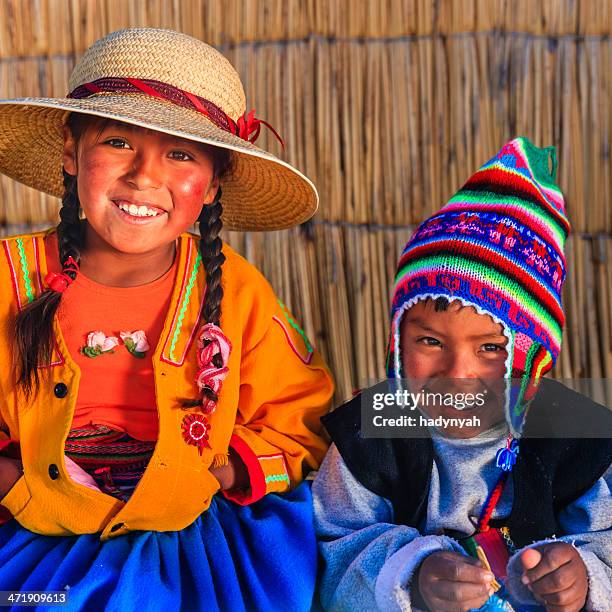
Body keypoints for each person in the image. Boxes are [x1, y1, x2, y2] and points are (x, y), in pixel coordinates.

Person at [0, 27, 334, 611]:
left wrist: (216, 471)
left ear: (213, 184)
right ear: (71, 150)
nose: (144, 177)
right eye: (118, 143)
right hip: (31, 533)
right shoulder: (10, 279)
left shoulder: (236, 293)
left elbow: (298, 420)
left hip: (197, 543)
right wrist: (16, 485)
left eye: (180, 154)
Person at [312, 138, 611, 611]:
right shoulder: (371, 437)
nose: (457, 373)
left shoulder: (575, 436)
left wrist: (585, 577)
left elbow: (607, 540)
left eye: (492, 348)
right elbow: (331, 555)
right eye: (430, 341)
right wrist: (413, 577)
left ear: (534, 360)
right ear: (396, 343)